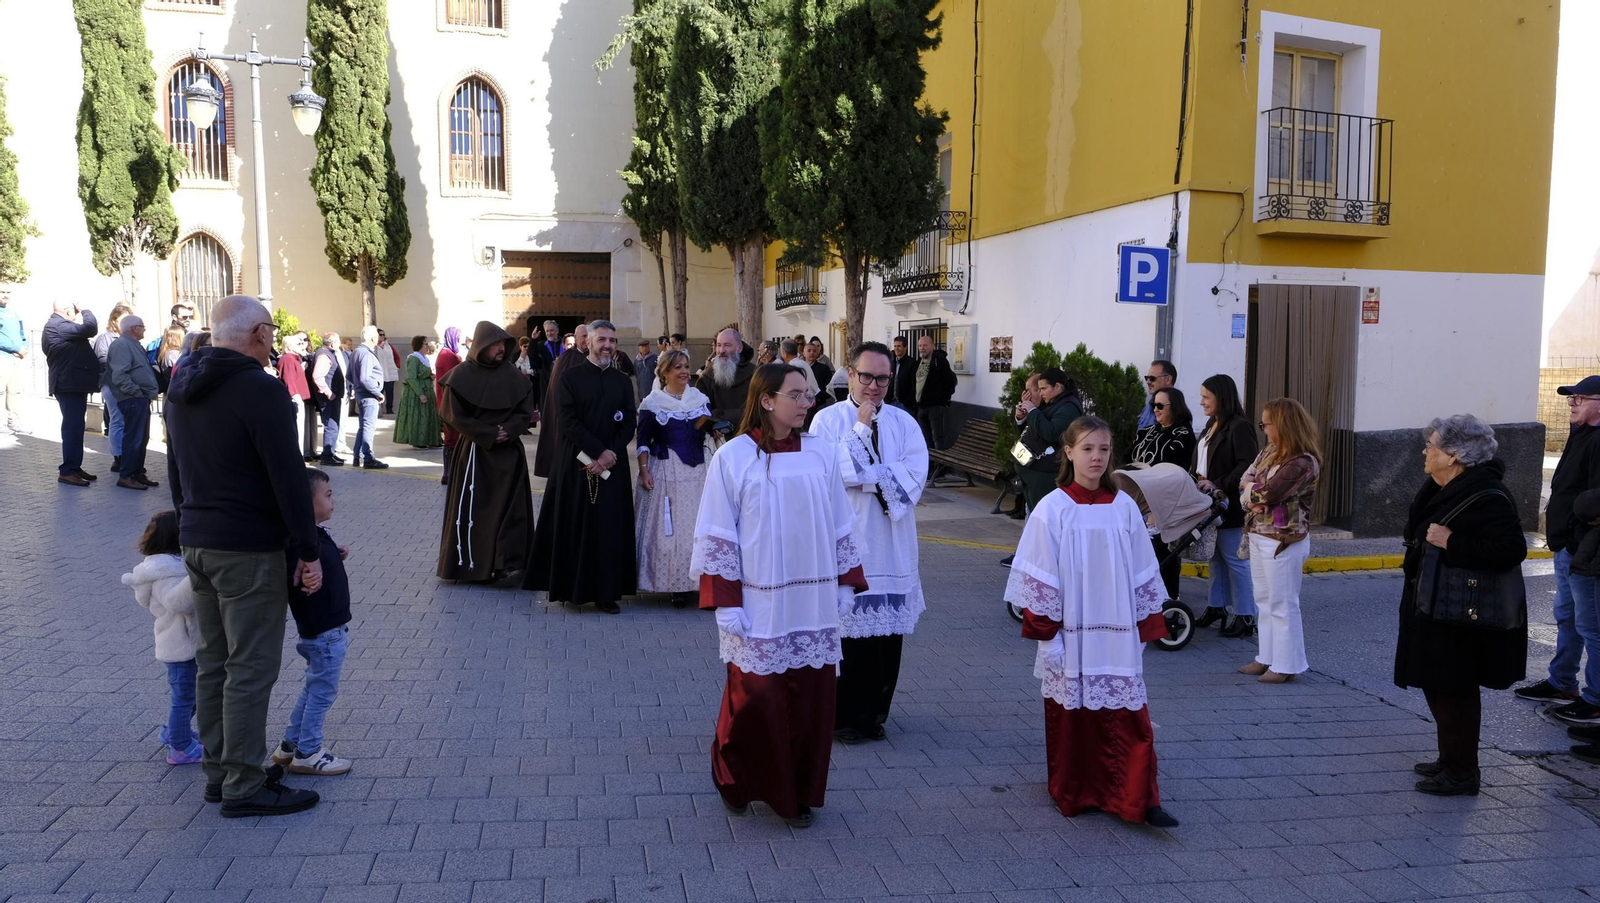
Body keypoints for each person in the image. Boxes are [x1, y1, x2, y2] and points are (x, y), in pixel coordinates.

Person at [692, 363, 868, 828]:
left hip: (812, 601)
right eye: (797, 394)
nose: (808, 402)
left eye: (809, 394)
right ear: (768, 399)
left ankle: (800, 793)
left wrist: (846, 580)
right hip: (760, 600)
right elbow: (718, 532)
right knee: (755, 698)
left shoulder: (822, 453)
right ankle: (735, 778)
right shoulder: (733, 458)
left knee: (811, 701)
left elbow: (839, 520)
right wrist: (726, 601)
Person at [165, 294, 321, 818]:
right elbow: (288, 479)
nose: (273, 340)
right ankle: (244, 784)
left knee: (214, 662)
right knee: (250, 667)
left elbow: (176, 471)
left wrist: (186, 525)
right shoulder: (261, 389)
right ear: (258, 332)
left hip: (198, 540)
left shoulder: (182, 382)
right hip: (247, 547)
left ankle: (221, 772)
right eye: (271, 331)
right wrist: (308, 549)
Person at [1004, 415, 1178, 827]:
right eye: (1087, 449)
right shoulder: (1053, 508)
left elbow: (1142, 571)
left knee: (1129, 714)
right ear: (1069, 452)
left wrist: (1142, 628)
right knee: (1074, 717)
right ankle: (1078, 791)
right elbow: (1040, 577)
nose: (1097, 458)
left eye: (1103, 449)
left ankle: (1139, 797)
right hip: (1072, 633)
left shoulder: (1124, 509)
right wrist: (1049, 640)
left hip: (1117, 632)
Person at [1394, 415, 1527, 796]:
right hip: (1434, 604)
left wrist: (1452, 541)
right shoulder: (1443, 486)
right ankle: (1449, 758)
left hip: (1460, 613)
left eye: (1432, 446)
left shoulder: (1486, 495)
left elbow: (1511, 549)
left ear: (1453, 456)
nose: (1425, 451)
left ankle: (1463, 772)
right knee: (1438, 684)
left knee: (1455, 690)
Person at [810, 342, 929, 744]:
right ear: (850, 373)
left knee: (884, 641)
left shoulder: (903, 422)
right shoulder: (827, 421)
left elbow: (915, 474)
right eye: (867, 377)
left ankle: (875, 714)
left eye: (882, 378)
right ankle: (843, 717)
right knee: (847, 636)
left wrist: (867, 474)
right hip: (849, 538)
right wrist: (861, 433)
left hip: (891, 544)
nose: (875, 386)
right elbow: (832, 472)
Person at [526, 320, 638, 613]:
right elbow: (568, 420)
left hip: (613, 464)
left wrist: (610, 452)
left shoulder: (622, 381)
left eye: (612, 340)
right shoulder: (570, 377)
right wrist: (599, 451)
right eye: (602, 339)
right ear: (588, 342)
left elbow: (629, 421)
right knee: (576, 523)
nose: (608, 345)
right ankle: (571, 589)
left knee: (608, 527)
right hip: (576, 462)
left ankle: (606, 592)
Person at [1515, 374, 1600, 715]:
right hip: (1568, 545)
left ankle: (1594, 701)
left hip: (1583, 549)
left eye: (1580, 398)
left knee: (1590, 625)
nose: (1571, 403)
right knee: (1567, 616)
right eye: (1570, 398)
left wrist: (1576, 536)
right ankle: (1562, 682)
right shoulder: (1582, 433)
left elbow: (1595, 502)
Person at [267, 469, 356, 777]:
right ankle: (309, 752)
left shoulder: (309, 534)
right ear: (306, 503)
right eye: (328, 495)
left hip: (322, 632)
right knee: (322, 693)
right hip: (325, 633)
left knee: (312, 688)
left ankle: (290, 745)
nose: (334, 500)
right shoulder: (298, 541)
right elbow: (302, 572)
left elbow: (317, 555)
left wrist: (335, 551)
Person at [437, 321, 538, 585]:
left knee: (512, 510)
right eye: (494, 344)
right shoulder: (461, 375)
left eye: (502, 344)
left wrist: (511, 429)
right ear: (481, 346)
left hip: (509, 455)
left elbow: (525, 408)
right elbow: (451, 414)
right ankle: (474, 566)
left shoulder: (513, 375)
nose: (500, 349)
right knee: (477, 512)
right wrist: (488, 433)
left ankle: (509, 564)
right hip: (476, 454)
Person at [1238, 397, 1321, 684]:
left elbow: (1268, 493)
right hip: (1260, 533)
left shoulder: (1302, 462)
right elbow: (1246, 480)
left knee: (1283, 602)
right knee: (1264, 599)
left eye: (1266, 423)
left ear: (1283, 425)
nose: (1263, 429)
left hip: (1284, 538)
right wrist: (1253, 495)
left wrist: (1254, 495)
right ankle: (1266, 657)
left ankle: (1286, 664)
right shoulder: (1269, 452)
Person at [122, 509, 203, 766]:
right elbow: (178, 603)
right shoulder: (166, 571)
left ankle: (173, 731)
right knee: (185, 697)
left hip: (180, 642)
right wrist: (195, 577)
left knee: (190, 695)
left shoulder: (160, 567)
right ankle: (179, 747)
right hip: (181, 645)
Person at [634, 349, 714, 607]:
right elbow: (643, 441)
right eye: (677, 367)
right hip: (667, 471)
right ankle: (675, 585)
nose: (683, 371)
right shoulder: (653, 403)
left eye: (686, 366)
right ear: (665, 372)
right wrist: (644, 470)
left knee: (698, 527)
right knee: (672, 530)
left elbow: (706, 428)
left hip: (699, 471)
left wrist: (717, 431)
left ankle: (702, 584)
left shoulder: (699, 399)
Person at [1192, 374, 1259, 638]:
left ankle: (1245, 616)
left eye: (1206, 397)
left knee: (1236, 560)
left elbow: (1247, 466)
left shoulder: (1239, 426)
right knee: (1216, 559)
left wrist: (1217, 483)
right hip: (1209, 501)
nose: (1202, 402)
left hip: (1228, 503)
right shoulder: (1213, 423)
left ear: (1222, 397)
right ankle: (1216, 607)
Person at [41, 302, 100, 487]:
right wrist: (85, 310)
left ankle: (74, 467)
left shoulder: (58, 326)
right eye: (74, 311)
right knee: (72, 428)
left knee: (75, 427)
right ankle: (67, 470)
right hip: (68, 384)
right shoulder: (59, 325)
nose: (76, 314)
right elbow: (90, 328)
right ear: (67, 310)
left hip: (71, 383)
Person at [1012, 368, 1083, 513]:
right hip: (1033, 470)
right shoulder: (1052, 403)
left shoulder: (1068, 407)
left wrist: (1032, 411)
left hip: (1046, 473)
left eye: (1043, 388)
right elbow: (1034, 431)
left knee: (1043, 517)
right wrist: (1022, 417)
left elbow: (1052, 433)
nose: (1041, 393)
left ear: (1057, 386)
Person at [106, 315, 160, 490]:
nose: (144, 330)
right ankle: (127, 475)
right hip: (132, 399)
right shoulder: (121, 345)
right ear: (134, 328)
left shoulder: (132, 344)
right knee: (134, 438)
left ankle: (136, 473)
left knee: (140, 438)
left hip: (139, 398)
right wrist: (136, 392)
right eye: (142, 327)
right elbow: (119, 375)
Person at [533, 323, 588, 479]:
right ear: (575, 338)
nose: (586, 339)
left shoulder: (596, 356)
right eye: (583, 336)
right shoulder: (566, 358)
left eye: (588, 336)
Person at [92, 303, 132, 472]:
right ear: (114, 320)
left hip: (128, 385)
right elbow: (103, 360)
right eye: (123, 320)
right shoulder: (106, 338)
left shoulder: (130, 338)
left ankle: (129, 456)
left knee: (128, 421)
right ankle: (118, 457)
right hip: (112, 384)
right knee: (117, 420)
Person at [694, 326, 755, 425]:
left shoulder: (756, 375)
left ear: (739, 348)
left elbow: (759, 411)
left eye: (727, 345)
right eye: (719, 345)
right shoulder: (707, 378)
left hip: (750, 434)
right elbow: (699, 413)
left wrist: (719, 415)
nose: (721, 350)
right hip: (717, 436)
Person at [914, 334, 958, 460]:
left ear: (932, 346)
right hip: (921, 406)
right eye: (920, 345)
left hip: (935, 407)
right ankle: (930, 465)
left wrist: (941, 399)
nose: (922, 348)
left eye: (925, 345)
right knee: (926, 438)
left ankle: (940, 467)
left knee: (937, 438)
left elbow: (949, 382)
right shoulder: (919, 362)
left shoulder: (940, 361)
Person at [349, 326, 387, 470]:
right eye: (377, 336)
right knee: (368, 426)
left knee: (363, 426)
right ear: (372, 338)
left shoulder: (356, 352)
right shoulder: (366, 354)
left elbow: (350, 375)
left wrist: (356, 387)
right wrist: (377, 392)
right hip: (368, 395)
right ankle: (368, 457)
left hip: (361, 394)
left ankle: (357, 456)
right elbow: (365, 378)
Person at [1130, 387, 1195, 469]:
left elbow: (1170, 468)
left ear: (1175, 407)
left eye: (1160, 406)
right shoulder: (1144, 432)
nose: (1155, 410)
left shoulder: (1183, 436)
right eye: (1153, 405)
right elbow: (1127, 457)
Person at [395, 336, 442, 449]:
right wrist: (420, 394)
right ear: (420, 345)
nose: (427, 346)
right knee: (419, 416)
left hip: (428, 388)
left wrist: (430, 376)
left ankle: (431, 439)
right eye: (425, 344)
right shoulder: (413, 358)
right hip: (417, 391)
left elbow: (423, 373)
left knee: (429, 415)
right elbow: (412, 378)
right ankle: (418, 440)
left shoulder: (424, 358)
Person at [310, 331, 347, 466]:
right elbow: (318, 376)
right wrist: (328, 392)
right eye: (338, 341)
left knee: (334, 425)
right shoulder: (324, 356)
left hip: (333, 396)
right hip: (328, 397)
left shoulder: (330, 353)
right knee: (331, 425)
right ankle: (327, 456)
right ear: (331, 343)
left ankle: (330, 453)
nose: (339, 344)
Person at [277, 332, 316, 462]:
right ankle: (296, 458)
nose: (301, 345)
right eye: (298, 343)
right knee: (297, 430)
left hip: (298, 397)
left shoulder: (293, 358)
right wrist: (295, 395)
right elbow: (288, 379)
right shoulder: (288, 358)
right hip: (295, 399)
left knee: (300, 429)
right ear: (289, 346)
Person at [435, 327, 466, 483]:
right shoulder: (448, 356)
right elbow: (454, 380)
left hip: (446, 402)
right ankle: (449, 474)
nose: (459, 341)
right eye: (458, 338)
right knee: (452, 437)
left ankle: (450, 473)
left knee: (451, 436)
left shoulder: (446, 354)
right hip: (450, 403)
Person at [0, 285, 30, 435]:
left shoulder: (13, 313)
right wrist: (15, 348)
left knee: (14, 391)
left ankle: (14, 422)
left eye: (7, 292)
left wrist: (24, 347)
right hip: (3, 357)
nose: (5, 295)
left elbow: (22, 332)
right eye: (2, 292)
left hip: (16, 358)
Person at [1138, 360, 1177, 432]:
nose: (1148, 382)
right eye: (1147, 378)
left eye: (1152, 378)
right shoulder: (1149, 406)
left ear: (1168, 379)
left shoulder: (1176, 409)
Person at [531, 320, 563, 405]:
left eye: (551, 330)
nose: (549, 333)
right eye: (547, 331)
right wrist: (533, 340)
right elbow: (532, 356)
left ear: (557, 331)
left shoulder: (565, 343)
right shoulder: (541, 345)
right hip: (547, 380)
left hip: (563, 379)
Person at [887, 335, 912, 411]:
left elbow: (913, 385)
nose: (896, 349)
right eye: (895, 346)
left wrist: (908, 401)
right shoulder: (890, 362)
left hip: (904, 404)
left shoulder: (911, 363)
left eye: (899, 346)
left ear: (905, 347)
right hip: (890, 402)